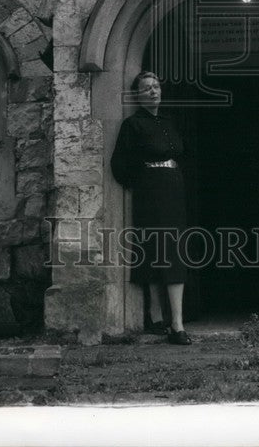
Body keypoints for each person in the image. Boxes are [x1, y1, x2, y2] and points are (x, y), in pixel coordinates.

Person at [110, 70, 191, 346]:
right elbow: (120, 165)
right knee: (156, 250)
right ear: (138, 95)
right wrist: (142, 182)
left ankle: (176, 322)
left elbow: (182, 153)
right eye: (146, 88)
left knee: (175, 250)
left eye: (156, 86)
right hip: (150, 193)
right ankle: (160, 319)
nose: (153, 91)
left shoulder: (171, 122)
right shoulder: (132, 125)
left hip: (174, 190)